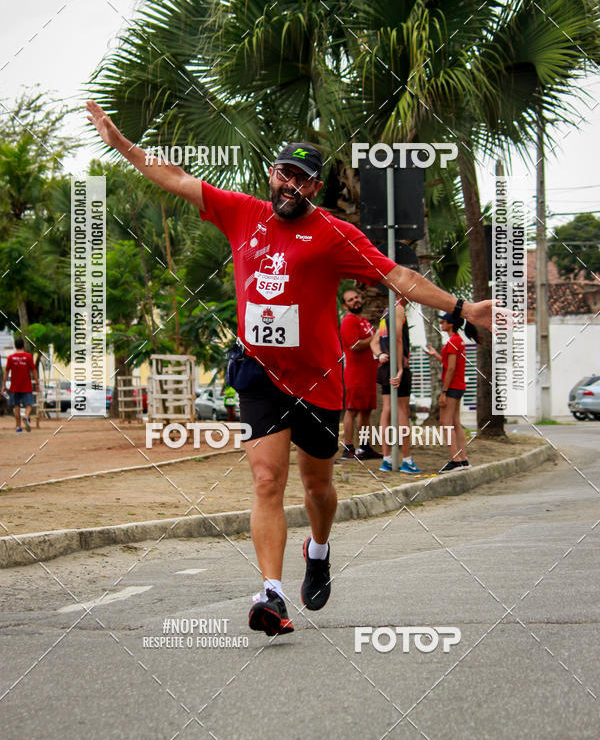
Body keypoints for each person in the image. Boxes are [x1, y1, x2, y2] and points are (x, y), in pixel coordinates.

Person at [87, 100, 495, 637]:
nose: (291, 186)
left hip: (319, 380)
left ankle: (319, 549)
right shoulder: (241, 213)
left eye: (303, 180)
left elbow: (397, 275)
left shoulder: (333, 234)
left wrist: (461, 309)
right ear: (271, 175)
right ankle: (272, 595)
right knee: (265, 480)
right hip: (257, 371)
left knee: (319, 487)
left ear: (313, 187)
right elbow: (177, 176)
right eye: (285, 175)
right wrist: (121, 145)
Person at [370, 296, 420, 474]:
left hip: (385, 365)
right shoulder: (398, 309)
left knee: (387, 410)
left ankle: (387, 459)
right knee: (402, 411)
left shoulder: (386, 312)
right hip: (397, 365)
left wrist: (379, 355)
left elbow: (374, 342)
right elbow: (398, 339)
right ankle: (406, 460)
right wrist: (399, 369)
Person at [425, 313, 479, 472]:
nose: (441, 323)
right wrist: (436, 354)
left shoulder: (453, 341)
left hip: (452, 387)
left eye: (443, 320)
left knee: (445, 423)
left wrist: (444, 392)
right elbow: (450, 364)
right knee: (455, 423)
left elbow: (451, 368)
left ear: (450, 323)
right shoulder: (458, 340)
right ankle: (463, 459)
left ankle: (455, 460)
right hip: (458, 385)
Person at [339, 289, 382, 461]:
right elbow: (355, 345)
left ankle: (364, 447)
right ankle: (348, 448)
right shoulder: (349, 321)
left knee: (366, 412)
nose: (355, 300)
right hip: (355, 375)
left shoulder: (363, 321)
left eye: (357, 297)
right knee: (352, 410)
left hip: (369, 374)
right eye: (351, 300)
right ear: (345, 305)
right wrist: (375, 337)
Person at [4, 337, 39, 432]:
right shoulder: (28, 357)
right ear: (23, 345)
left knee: (16, 406)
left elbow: (6, 372)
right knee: (29, 405)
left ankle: (18, 427)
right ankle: (26, 417)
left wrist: (3, 385)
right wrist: (37, 382)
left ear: (15, 346)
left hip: (14, 387)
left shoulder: (11, 358)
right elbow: (34, 370)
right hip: (26, 386)